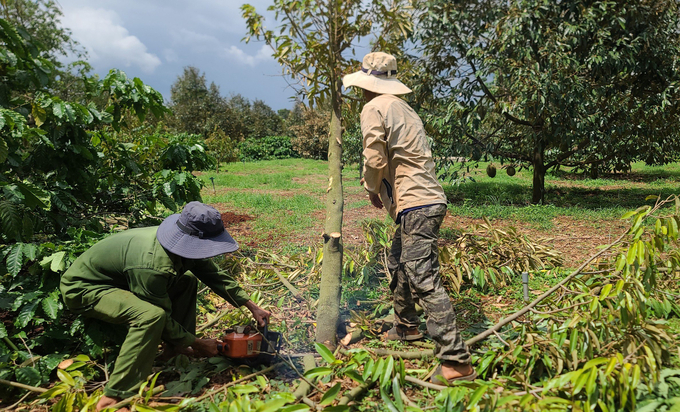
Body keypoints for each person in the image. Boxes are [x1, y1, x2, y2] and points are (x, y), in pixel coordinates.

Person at [343, 52, 476, 383]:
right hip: (426, 200)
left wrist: (371, 189)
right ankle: (406, 327)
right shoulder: (404, 108)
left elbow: (373, 157)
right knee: (400, 260)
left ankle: (457, 361)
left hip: (416, 203)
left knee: (421, 275)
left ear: (367, 85)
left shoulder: (373, 107)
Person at [60, 201, 271, 411]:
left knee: (187, 280)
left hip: (118, 281)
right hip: (84, 289)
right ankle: (116, 396)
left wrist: (252, 306)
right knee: (150, 316)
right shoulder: (154, 267)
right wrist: (197, 343)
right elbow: (161, 318)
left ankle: (176, 349)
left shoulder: (181, 244)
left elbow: (213, 274)